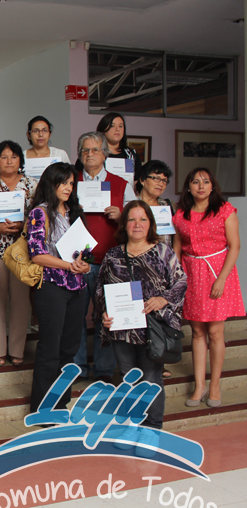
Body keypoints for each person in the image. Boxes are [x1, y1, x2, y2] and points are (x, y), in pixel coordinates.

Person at [95, 201, 187, 438]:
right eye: (132, 219)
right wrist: (104, 312)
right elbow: (101, 289)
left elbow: (181, 282)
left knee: (151, 377)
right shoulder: (113, 255)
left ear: (150, 223)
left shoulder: (163, 251)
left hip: (153, 328)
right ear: (124, 224)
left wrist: (163, 299)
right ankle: (132, 426)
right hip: (122, 329)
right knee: (128, 377)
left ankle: (152, 429)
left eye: (143, 219)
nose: (137, 224)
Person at [174, 168, 244, 408]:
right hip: (192, 274)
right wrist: (178, 278)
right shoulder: (181, 214)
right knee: (196, 332)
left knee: (215, 332)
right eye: (195, 182)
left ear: (212, 186)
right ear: (189, 187)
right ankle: (199, 385)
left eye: (205, 181)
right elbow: (177, 249)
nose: (201, 186)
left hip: (217, 273)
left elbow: (235, 246)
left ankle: (214, 384)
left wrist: (222, 279)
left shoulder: (225, 210)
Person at [72, 131, 136, 384]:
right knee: (75, 315)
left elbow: (138, 220)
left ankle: (104, 369)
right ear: (79, 155)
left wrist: (122, 215)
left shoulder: (121, 184)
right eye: (85, 150)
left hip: (111, 260)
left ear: (105, 154)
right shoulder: (71, 181)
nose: (90, 155)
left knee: (107, 316)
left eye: (95, 150)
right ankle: (77, 366)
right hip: (78, 260)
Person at [27, 162, 90, 413]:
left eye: (71, 183)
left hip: (77, 288)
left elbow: (83, 251)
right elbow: (37, 255)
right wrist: (68, 265)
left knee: (69, 349)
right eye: (63, 182)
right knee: (50, 348)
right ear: (51, 183)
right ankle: (42, 409)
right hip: (51, 287)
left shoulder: (75, 212)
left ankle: (61, 404)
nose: (68, 188)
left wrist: (84, 265)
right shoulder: (39, 213)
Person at [0, 140, 37, 366]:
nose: (9, 161)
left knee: (21, 302)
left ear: (20, 160)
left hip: (23, 252)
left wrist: (23, 226)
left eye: (13, 156)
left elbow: (40, 217)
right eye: (4, 157)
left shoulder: (32, 185)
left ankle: (17, 350)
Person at [134, 159, 177, 378]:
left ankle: (159, 360)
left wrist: (174, 263)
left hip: (164, 268)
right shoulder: (132, 205)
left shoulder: (167, 205)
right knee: (139, 316)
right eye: (155, 178)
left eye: (164, 180)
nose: (160, 183)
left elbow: (175, 237)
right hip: (138, 267)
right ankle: (136, 365)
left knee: (161, 316)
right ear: (142, 180)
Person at [97, 112, 142, 179]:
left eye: (120, 126)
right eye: (112, 126)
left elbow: (138, 179)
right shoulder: (93, 153)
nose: (117, 129)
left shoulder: (131, 155)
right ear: (103, 130)